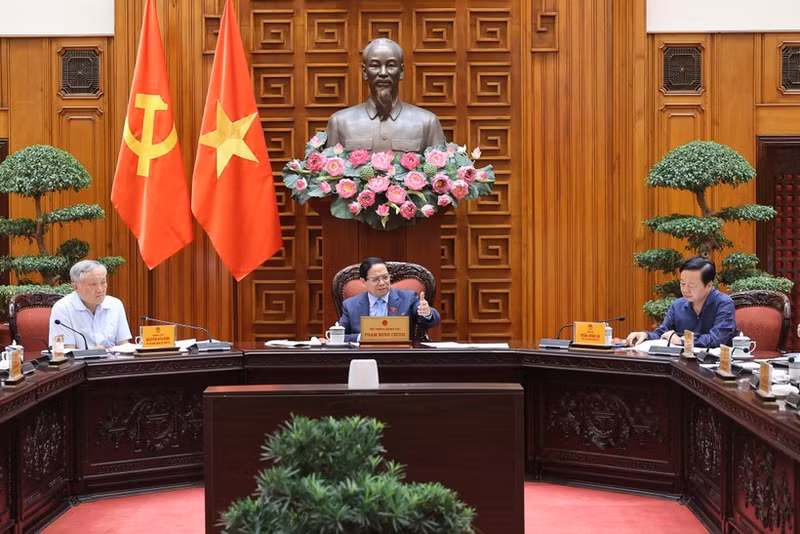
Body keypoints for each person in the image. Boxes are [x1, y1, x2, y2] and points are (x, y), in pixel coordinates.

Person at [325, 38, 445, 152]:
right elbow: (327, 172)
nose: (383, 73)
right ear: (365, 72)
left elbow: (440, 172)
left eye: (391, 65)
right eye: (375, 66)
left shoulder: (427, 122)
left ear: (401, 72)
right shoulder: (340, 122)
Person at [626, 256, 737, 348]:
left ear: (708, 285)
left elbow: (717, 339)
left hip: (716, 366)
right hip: (683, 365)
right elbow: (662, 333)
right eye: (682, 284)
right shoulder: (677, 305)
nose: (685, 290)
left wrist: (682, 341)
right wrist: (645, 335)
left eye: (691, 285)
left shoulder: (724, 303)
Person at [338, 257, 440, 342]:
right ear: (363, 281)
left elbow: (430, 322)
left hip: (400, 357)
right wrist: (361, 337)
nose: (382, 283)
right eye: (376, 279)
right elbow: (338, 336)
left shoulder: (408, 298)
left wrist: (427, 313)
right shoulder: (351, 305)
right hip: (365, 358)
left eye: (385, 277)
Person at [49, 260, 132, 349]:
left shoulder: (115, 304)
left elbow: (123, 344)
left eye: (103, 282)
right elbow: (65, 351)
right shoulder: (63, 308)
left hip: (112, 361)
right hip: (80, 362)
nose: (100, 289)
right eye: (93, 284)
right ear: (76, 287)